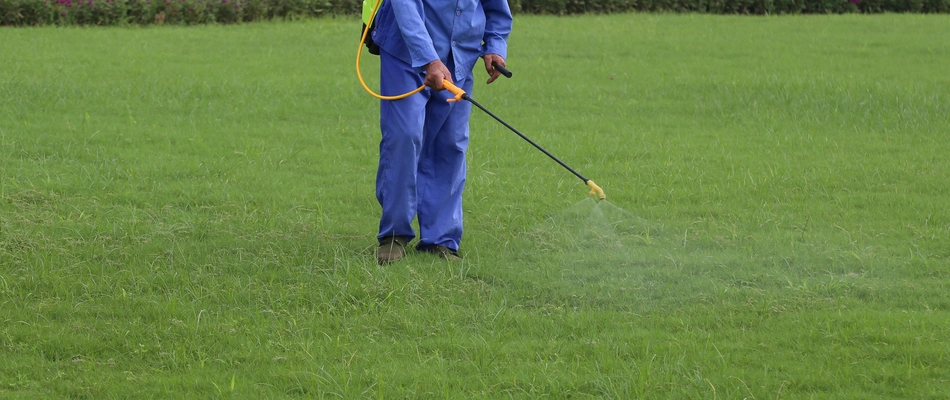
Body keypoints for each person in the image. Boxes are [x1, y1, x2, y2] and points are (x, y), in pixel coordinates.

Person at [369, 0, 512, 264]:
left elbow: (495, 6)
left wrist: (494, 45)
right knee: (404, 135)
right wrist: (429, 59)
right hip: (405, 51)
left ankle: (440, 240)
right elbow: (405, 7)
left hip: (460, 52)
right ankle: (393, 235)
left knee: (450, 143)